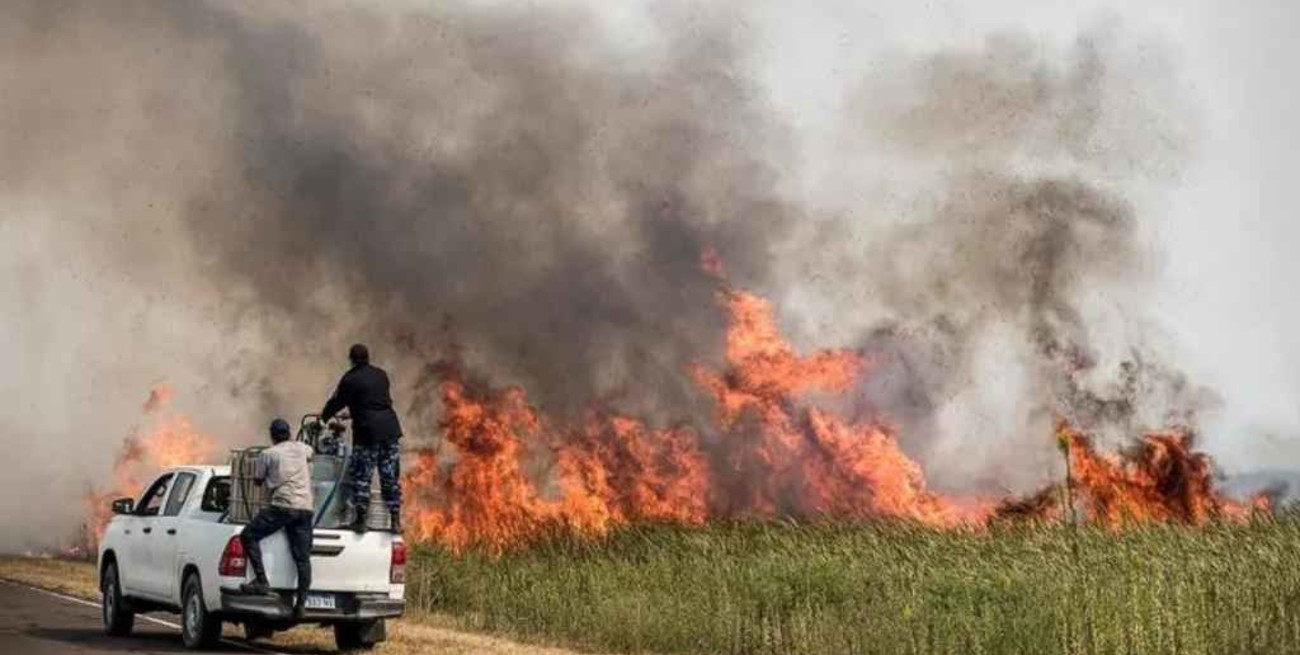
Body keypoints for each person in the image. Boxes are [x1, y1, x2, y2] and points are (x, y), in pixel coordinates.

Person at [321, 343, 403, 533]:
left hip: (368, 434)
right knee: (390, 477)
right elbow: (375, 402)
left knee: (362, 476)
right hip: (390, 431)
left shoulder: (350, 379)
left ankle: (360, 520)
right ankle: (396, 521)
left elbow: (336, 402)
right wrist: (354, 413)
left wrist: (323, 417)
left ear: (351, 360)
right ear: (368, 358)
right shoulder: (381, 375)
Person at [239, 418, 315, 617]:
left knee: (248, 535)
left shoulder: (268, 454)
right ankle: (301, 604)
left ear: (272, 435)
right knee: (303, 558)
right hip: (306, 508)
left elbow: (257, 480)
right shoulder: (302, 448)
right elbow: (311, 454)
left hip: (282, 506)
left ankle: (262, 581)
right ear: (289, 433)